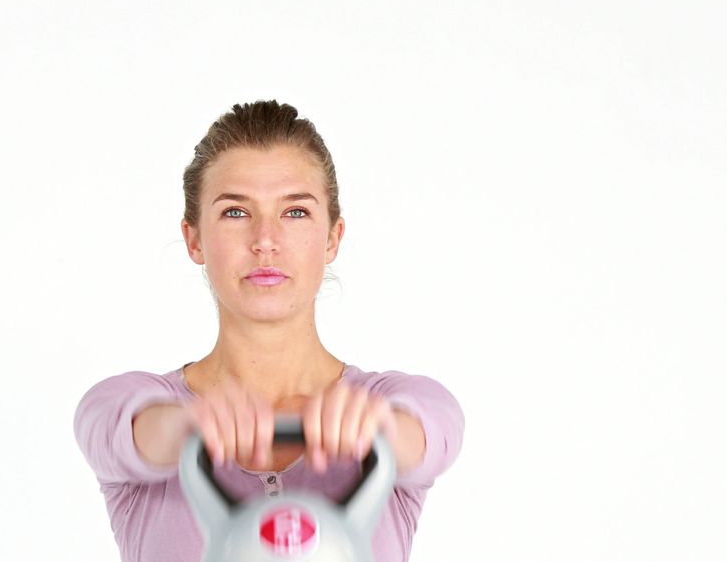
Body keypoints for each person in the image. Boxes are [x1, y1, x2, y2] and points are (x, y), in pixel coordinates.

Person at [73, 100, 465, 561]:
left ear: (332, 238)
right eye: (235, 212)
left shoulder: (395, 403)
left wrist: (377, 428)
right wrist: (188, 427)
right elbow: (119, 430)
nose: (265, 240)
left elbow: (429, 433)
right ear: (194, 238)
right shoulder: (132, 406)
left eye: (295, 212)